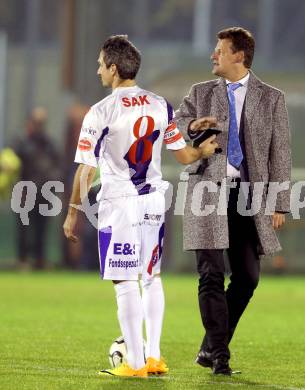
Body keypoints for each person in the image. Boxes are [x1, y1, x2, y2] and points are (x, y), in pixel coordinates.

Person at [63, 35, 218, 378]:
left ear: (114, 68)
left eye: (101, 64)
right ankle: (153, 357)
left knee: (123, 280)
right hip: (152, 202)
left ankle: (133, 363)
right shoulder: (159, 104)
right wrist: (202, 152)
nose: (98, 69)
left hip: (119, 203)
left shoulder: (102, 110)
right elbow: (183, 154)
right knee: (151, 277)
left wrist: (73, 210)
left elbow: (87, 168)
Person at [174, 27, 291, 375]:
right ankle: (220, 357)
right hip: (206, 193)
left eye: (220, 50)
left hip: (248, 197)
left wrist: (279, 201)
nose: (214, 55)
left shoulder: (272, 98)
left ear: (239, 56)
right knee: (210, 274)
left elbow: (280, 152)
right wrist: (193, 123)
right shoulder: (200, 92)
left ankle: (210, 347)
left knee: (248, 278)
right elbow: (174, 127)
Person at [14, 107, 61, 270]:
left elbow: (58, 165)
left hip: (45, 192)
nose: (39, 125)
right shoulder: (21, 142)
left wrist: (53, 179)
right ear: (30, 122)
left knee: (42, 228)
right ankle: (23, 260)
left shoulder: (49, 144)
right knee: (24, 227)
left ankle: (40, 260)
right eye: (36, 122)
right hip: (25, 191)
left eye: (42, 122)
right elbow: (13, 163)